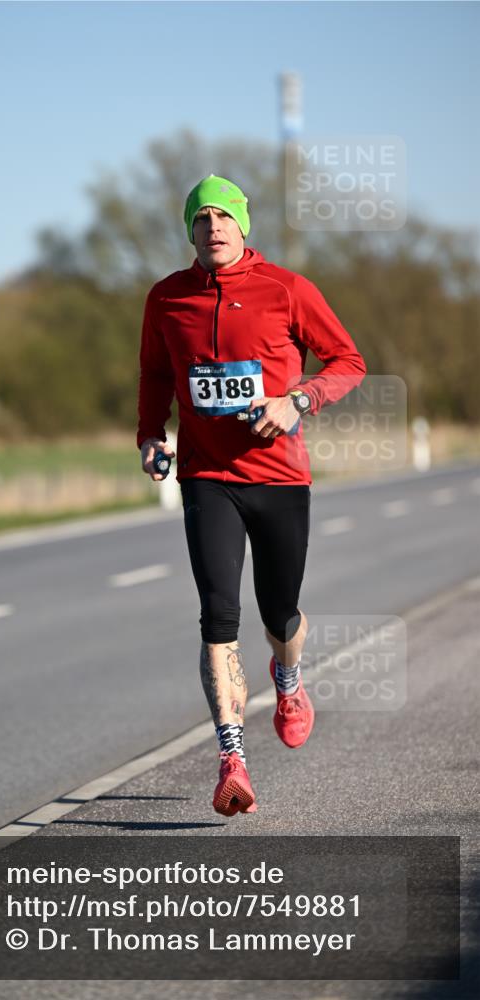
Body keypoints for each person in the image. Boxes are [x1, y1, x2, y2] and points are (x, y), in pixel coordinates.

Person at [137, 174, 367, 817]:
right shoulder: (166, 298)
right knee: (218, 615)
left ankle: (287, 679)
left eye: (223, 216)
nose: (212, 227)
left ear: (243, 226)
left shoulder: (286, 289)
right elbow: (155, 372)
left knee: (280, 613)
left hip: (279, 477)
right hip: (207, 477)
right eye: (201, 217)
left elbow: (348, 362)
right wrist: (150, 434)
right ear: (189, 230)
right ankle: (231, 758)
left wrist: (299, 401)